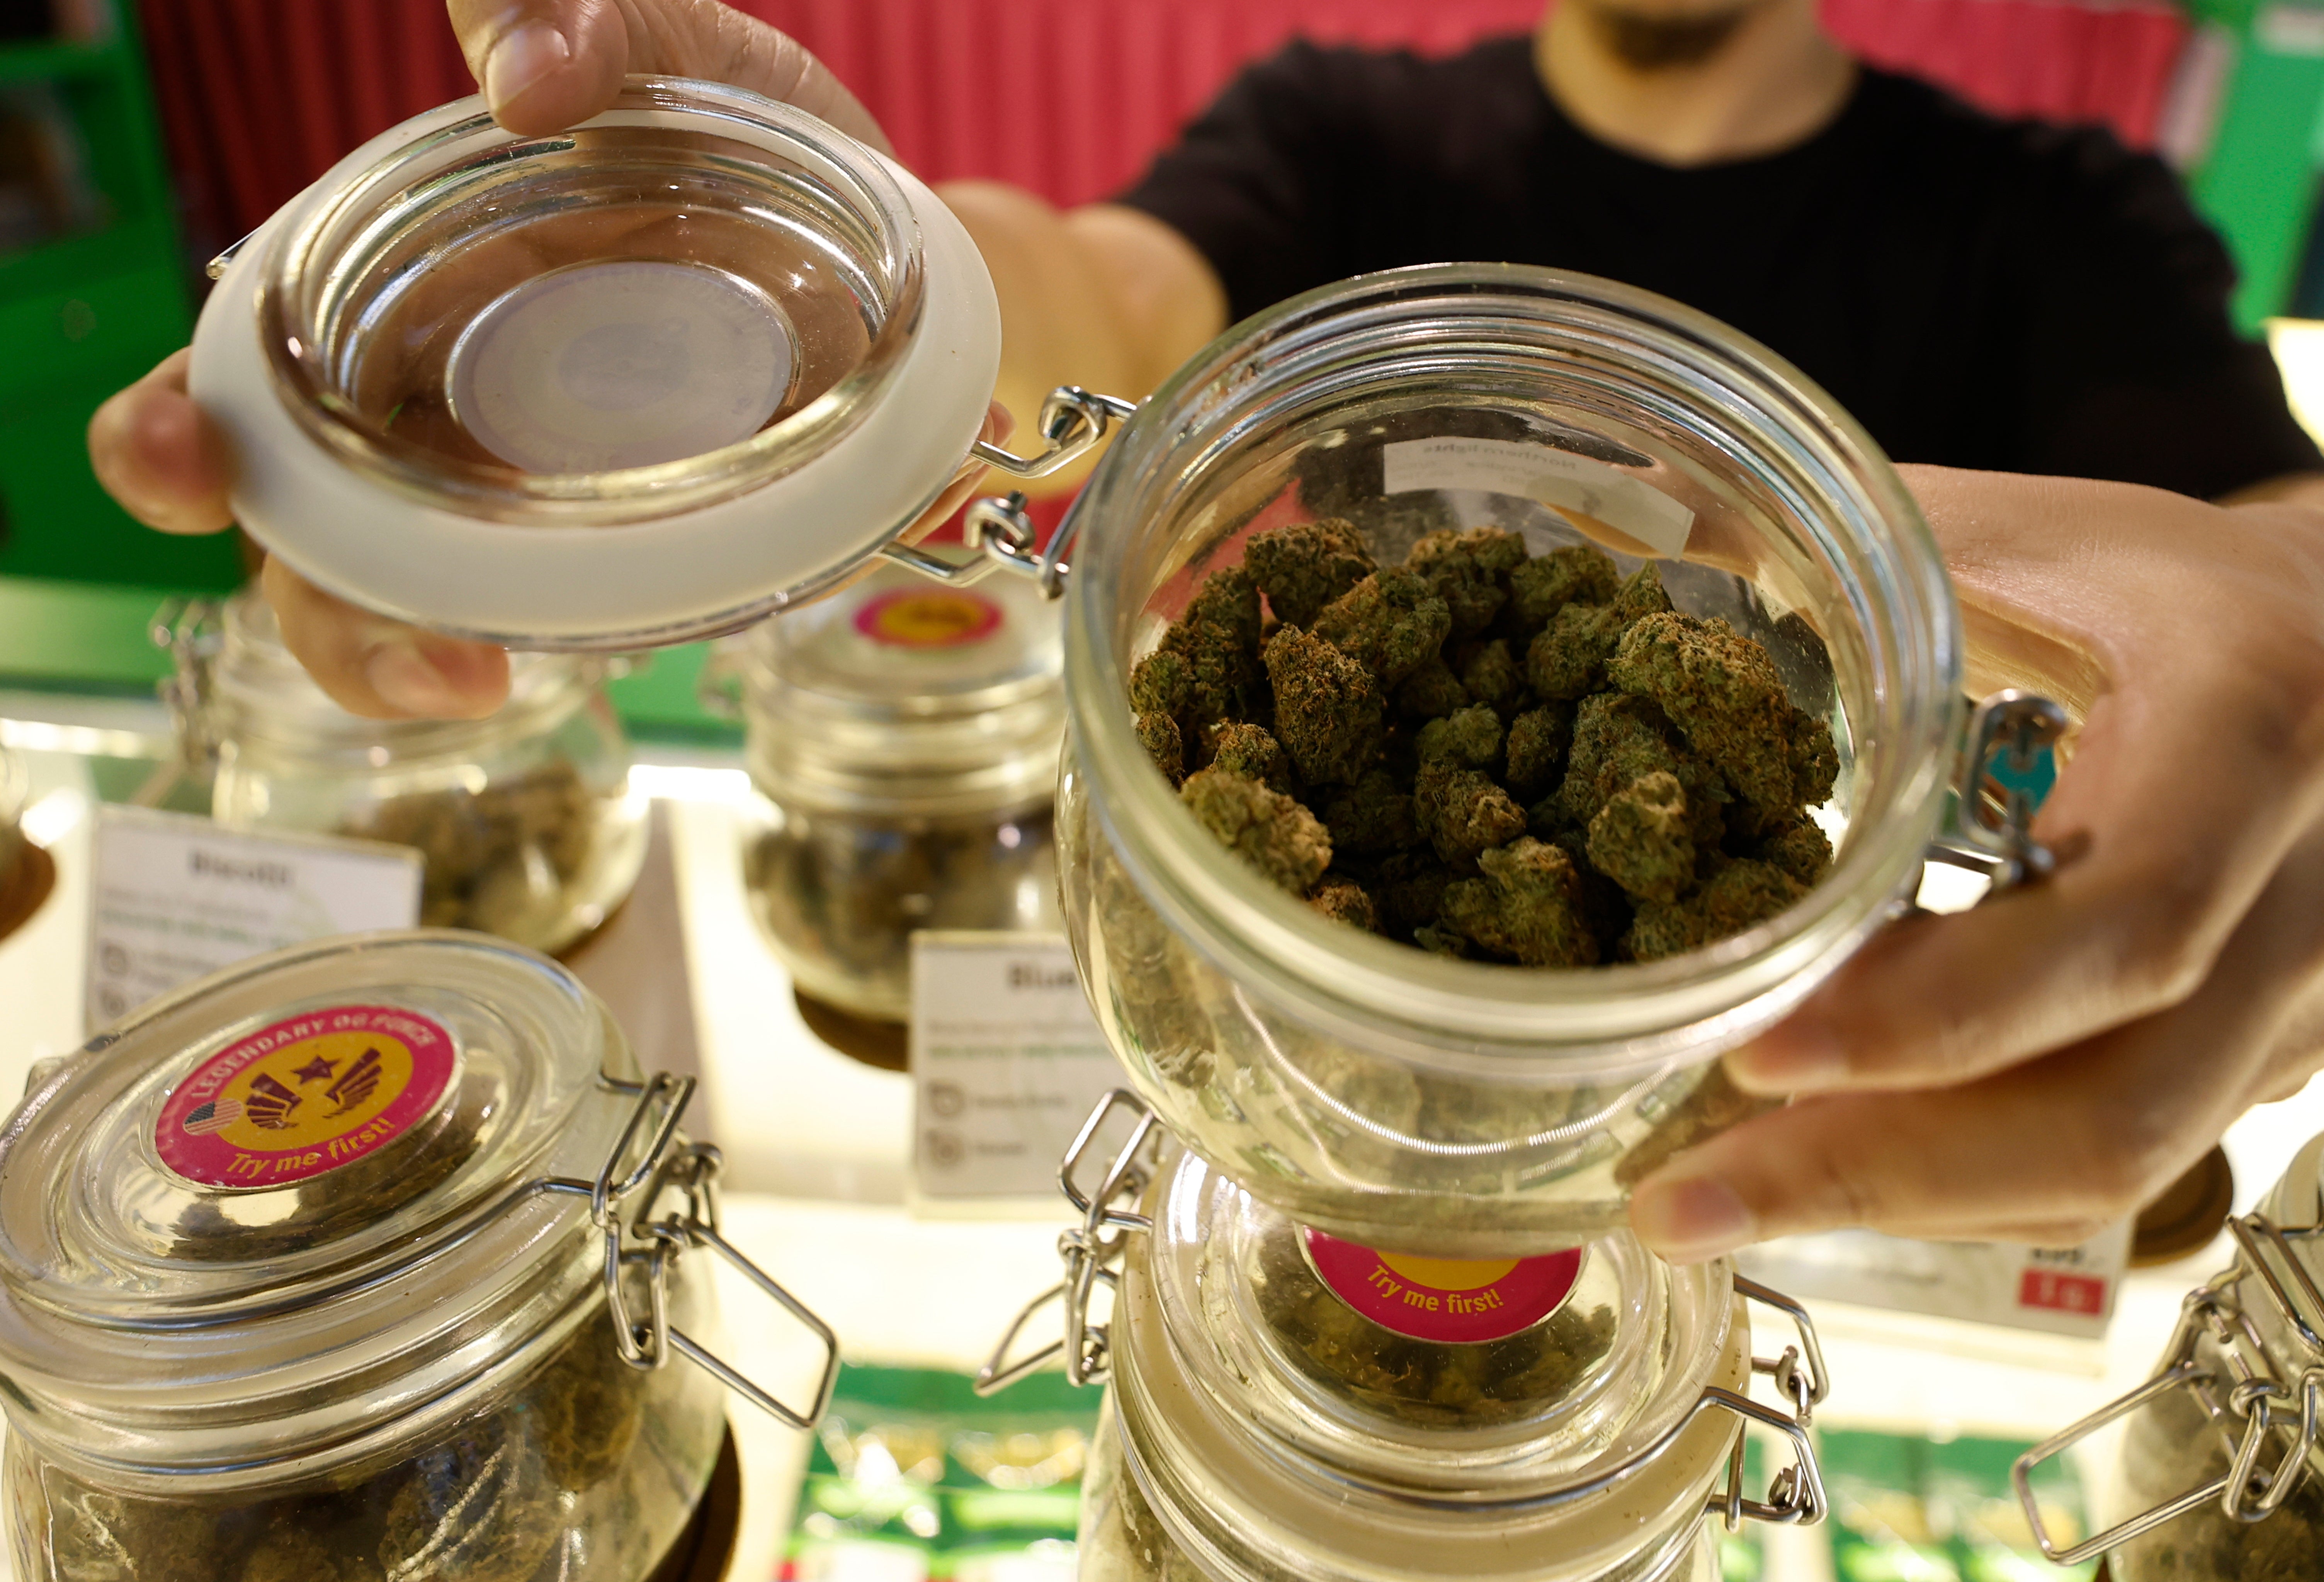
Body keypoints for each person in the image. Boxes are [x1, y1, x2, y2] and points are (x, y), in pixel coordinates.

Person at [85, 0, 2324, 1264]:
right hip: (1319, 1048)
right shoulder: (1343, 125)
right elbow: (1097, 313)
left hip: (1781, 1084)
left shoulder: (2061, 223)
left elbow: (2275, 543)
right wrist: (795, 295)